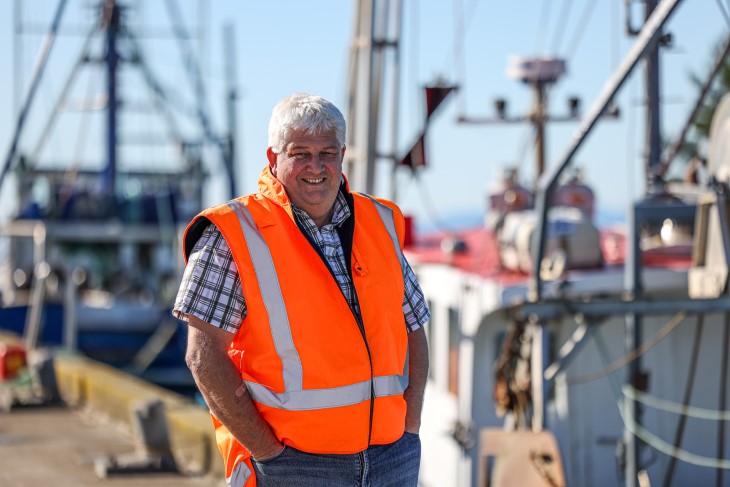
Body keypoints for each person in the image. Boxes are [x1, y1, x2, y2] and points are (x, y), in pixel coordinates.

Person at [173, 93, 430, 487]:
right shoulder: (232, 233)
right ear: (273, 158)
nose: (316, 166)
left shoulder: (379, 221)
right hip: (293, 466)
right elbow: (202, 356)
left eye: (327, 152)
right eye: (300, 153)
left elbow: (414, 327)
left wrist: (409, 429)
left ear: (342, 155)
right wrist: (268, 453)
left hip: (391, 458)